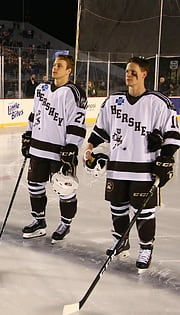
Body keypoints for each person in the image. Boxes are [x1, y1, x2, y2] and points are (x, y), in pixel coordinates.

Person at [84, 56, 180, 272]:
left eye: (133, 71)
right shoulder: (113, 101)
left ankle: (146, 248)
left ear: (144, 74)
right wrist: (89, 147)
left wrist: (166, 156)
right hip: (117, 167)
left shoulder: (158, 102)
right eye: (127, 71)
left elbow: (173, 133)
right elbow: (101, 131)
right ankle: (121, 241)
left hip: (143, 170)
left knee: (144, 212)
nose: (128, 74)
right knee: (117, 208)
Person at [21, 54, 87, 243]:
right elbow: (34, 114)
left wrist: (72, 146)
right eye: (54, 64)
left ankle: (65, 223)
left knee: (64, 188)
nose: (54, 68)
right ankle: (39, 221)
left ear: (69, 70)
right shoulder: (41, 89)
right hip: (38, 148)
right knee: (34, 186)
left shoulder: (74, 92)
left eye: (59, 65)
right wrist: (28, 135)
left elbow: (77, 122)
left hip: (60, 151)